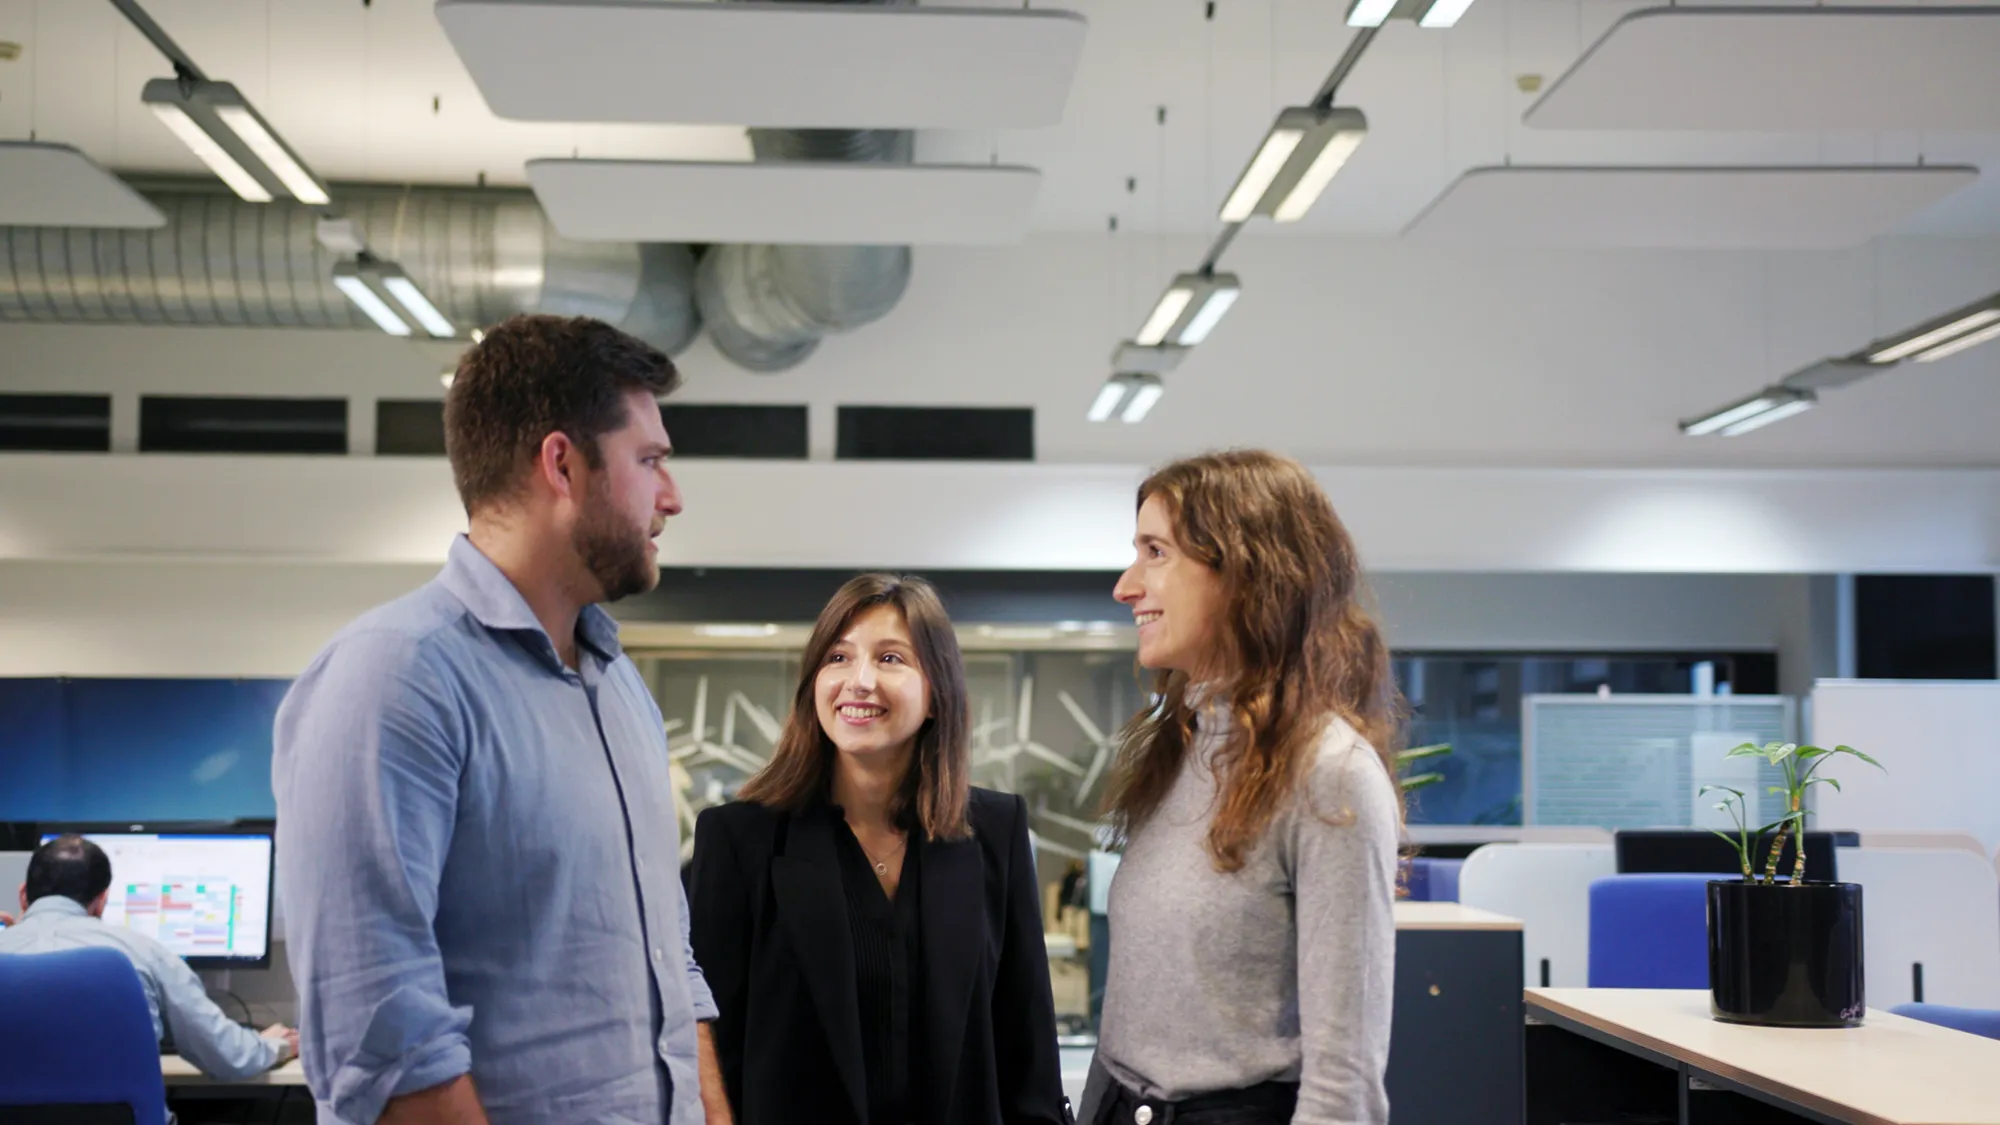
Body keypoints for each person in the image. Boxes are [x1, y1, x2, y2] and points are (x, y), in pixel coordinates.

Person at [273, 314, 728, 1125]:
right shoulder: (395, 677)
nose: (674, 496)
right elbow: (383, 1035)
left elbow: (672, 963)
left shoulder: (620, 688)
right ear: (562, 464)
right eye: (650, 460)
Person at [1082, 450, 1404, 1125]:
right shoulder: (1185, 747)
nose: (1125, 585)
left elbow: (1343, 1084)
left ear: (1246, 572)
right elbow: (1133, 1027)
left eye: (1156, 552)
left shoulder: (1330, 772)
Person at [688, 574, 1070, 1125]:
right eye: (838, 658)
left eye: (890, 658)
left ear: (937, 692)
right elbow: (709, 1045)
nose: (859, 681)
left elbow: (1027, 1048)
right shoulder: (738, 839)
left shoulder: (995, 831)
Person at [0, 835, 297, 1080]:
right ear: (102, 901)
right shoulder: (147, 953)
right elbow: (229, 1057)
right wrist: (275, 1045)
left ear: (23, 895)